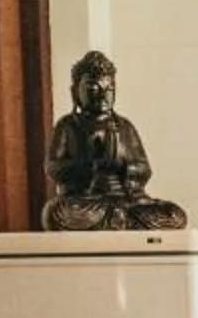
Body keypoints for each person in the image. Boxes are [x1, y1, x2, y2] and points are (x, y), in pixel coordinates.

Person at [42, 51, 185, 231]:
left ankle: (118, 219)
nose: (102, 96)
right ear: (75, 92)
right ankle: (119, 220)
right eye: (93, 89)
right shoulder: (68, 125)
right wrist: (88, 165)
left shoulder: (125, 126)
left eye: (109, 89)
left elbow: (145, 169)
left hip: (127, 199)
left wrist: (123, 166)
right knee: (56, 213)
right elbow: (53, 167)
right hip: (87, 201)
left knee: (174, 215)